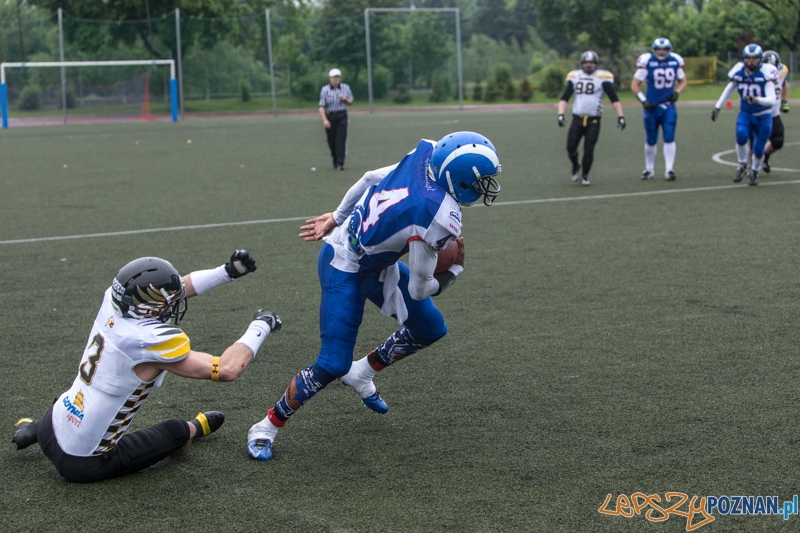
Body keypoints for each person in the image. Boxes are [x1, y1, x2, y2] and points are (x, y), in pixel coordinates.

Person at [246, 131, 501, 461]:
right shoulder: (439, 213)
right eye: (481, 182)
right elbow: (419, 289)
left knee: (431, 328)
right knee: (332, 362)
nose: (485, 189)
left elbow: (369, 178)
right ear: (459, 181)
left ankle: (362, 372)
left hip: (375, 261)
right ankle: (266, 425)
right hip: (344, 266)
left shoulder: (425, 158)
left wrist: (337, 216)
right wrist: (453, 272)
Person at [11, 251, 281, 483]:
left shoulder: (113, 302)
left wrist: (227, 272)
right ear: (148, 308)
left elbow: (172, 292)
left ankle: (31, 431)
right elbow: (227, 369)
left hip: (52, 422)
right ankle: (194, 428)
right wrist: (261, 325)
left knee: (80, 396)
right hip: (82, 462)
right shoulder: (149, 341)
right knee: (177, 433)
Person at [711, 44, 778, 186]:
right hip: (746, 113)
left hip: (763, 115)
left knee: (759, 148)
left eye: (754, 58)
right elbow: (730, 87)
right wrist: (718, 106)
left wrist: (757, 100)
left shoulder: (766, 73)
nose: (751, 61)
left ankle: (754, 171)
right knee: (741, 136)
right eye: (748, 58)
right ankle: (742, 165)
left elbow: (772, 99)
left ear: (760, 59)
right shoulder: (739, 70)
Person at [557, 50, 626, 187]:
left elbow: (614, 98)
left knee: (589, 149)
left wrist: (620, 116)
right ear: (582, 64)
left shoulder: (602, 77)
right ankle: (576, 165)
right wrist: (560, 114)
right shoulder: (575, 76)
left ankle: (585, 176)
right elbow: (565, 97)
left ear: (596, 64)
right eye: (586, 62)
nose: (589, 65)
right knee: (571, 148)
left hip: (594, 120)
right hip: (577, 118)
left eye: (591, 63)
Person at [631, 38, 687, 181]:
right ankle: (649, 169)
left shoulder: (675, 61)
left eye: (664, 49)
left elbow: (683, 81)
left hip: (668, 106)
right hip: (652, 107)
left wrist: (677, 92)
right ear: (654, 50)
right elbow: (635, 84)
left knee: (669, 136)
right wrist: (643, 100)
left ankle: (669, 169)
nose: (661, 52)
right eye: (659, 49)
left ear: (669, 50)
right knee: (651, 138)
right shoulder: (647, 62)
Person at [761, 50, 790, 174]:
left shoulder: (782, 70)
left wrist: (784, 102)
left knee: (778, 141)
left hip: (773, 112)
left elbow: (783, 84)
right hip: (758, 112)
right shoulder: (757, 72)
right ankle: (747, 166)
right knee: (754, 142)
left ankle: (764, 158)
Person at [319, 68, 354, 171]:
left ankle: (340, 163)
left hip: (341, 116)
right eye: (334, 77)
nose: (336, 79)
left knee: (341, 139)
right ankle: (335, 158)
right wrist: (325, 120)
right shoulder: (325, 90)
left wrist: (345, 99)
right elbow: (321, 106)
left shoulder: (345, 88)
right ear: (330, 78)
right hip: (330, 116)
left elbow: (351, 101)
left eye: (337, 77)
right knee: (332, 141)